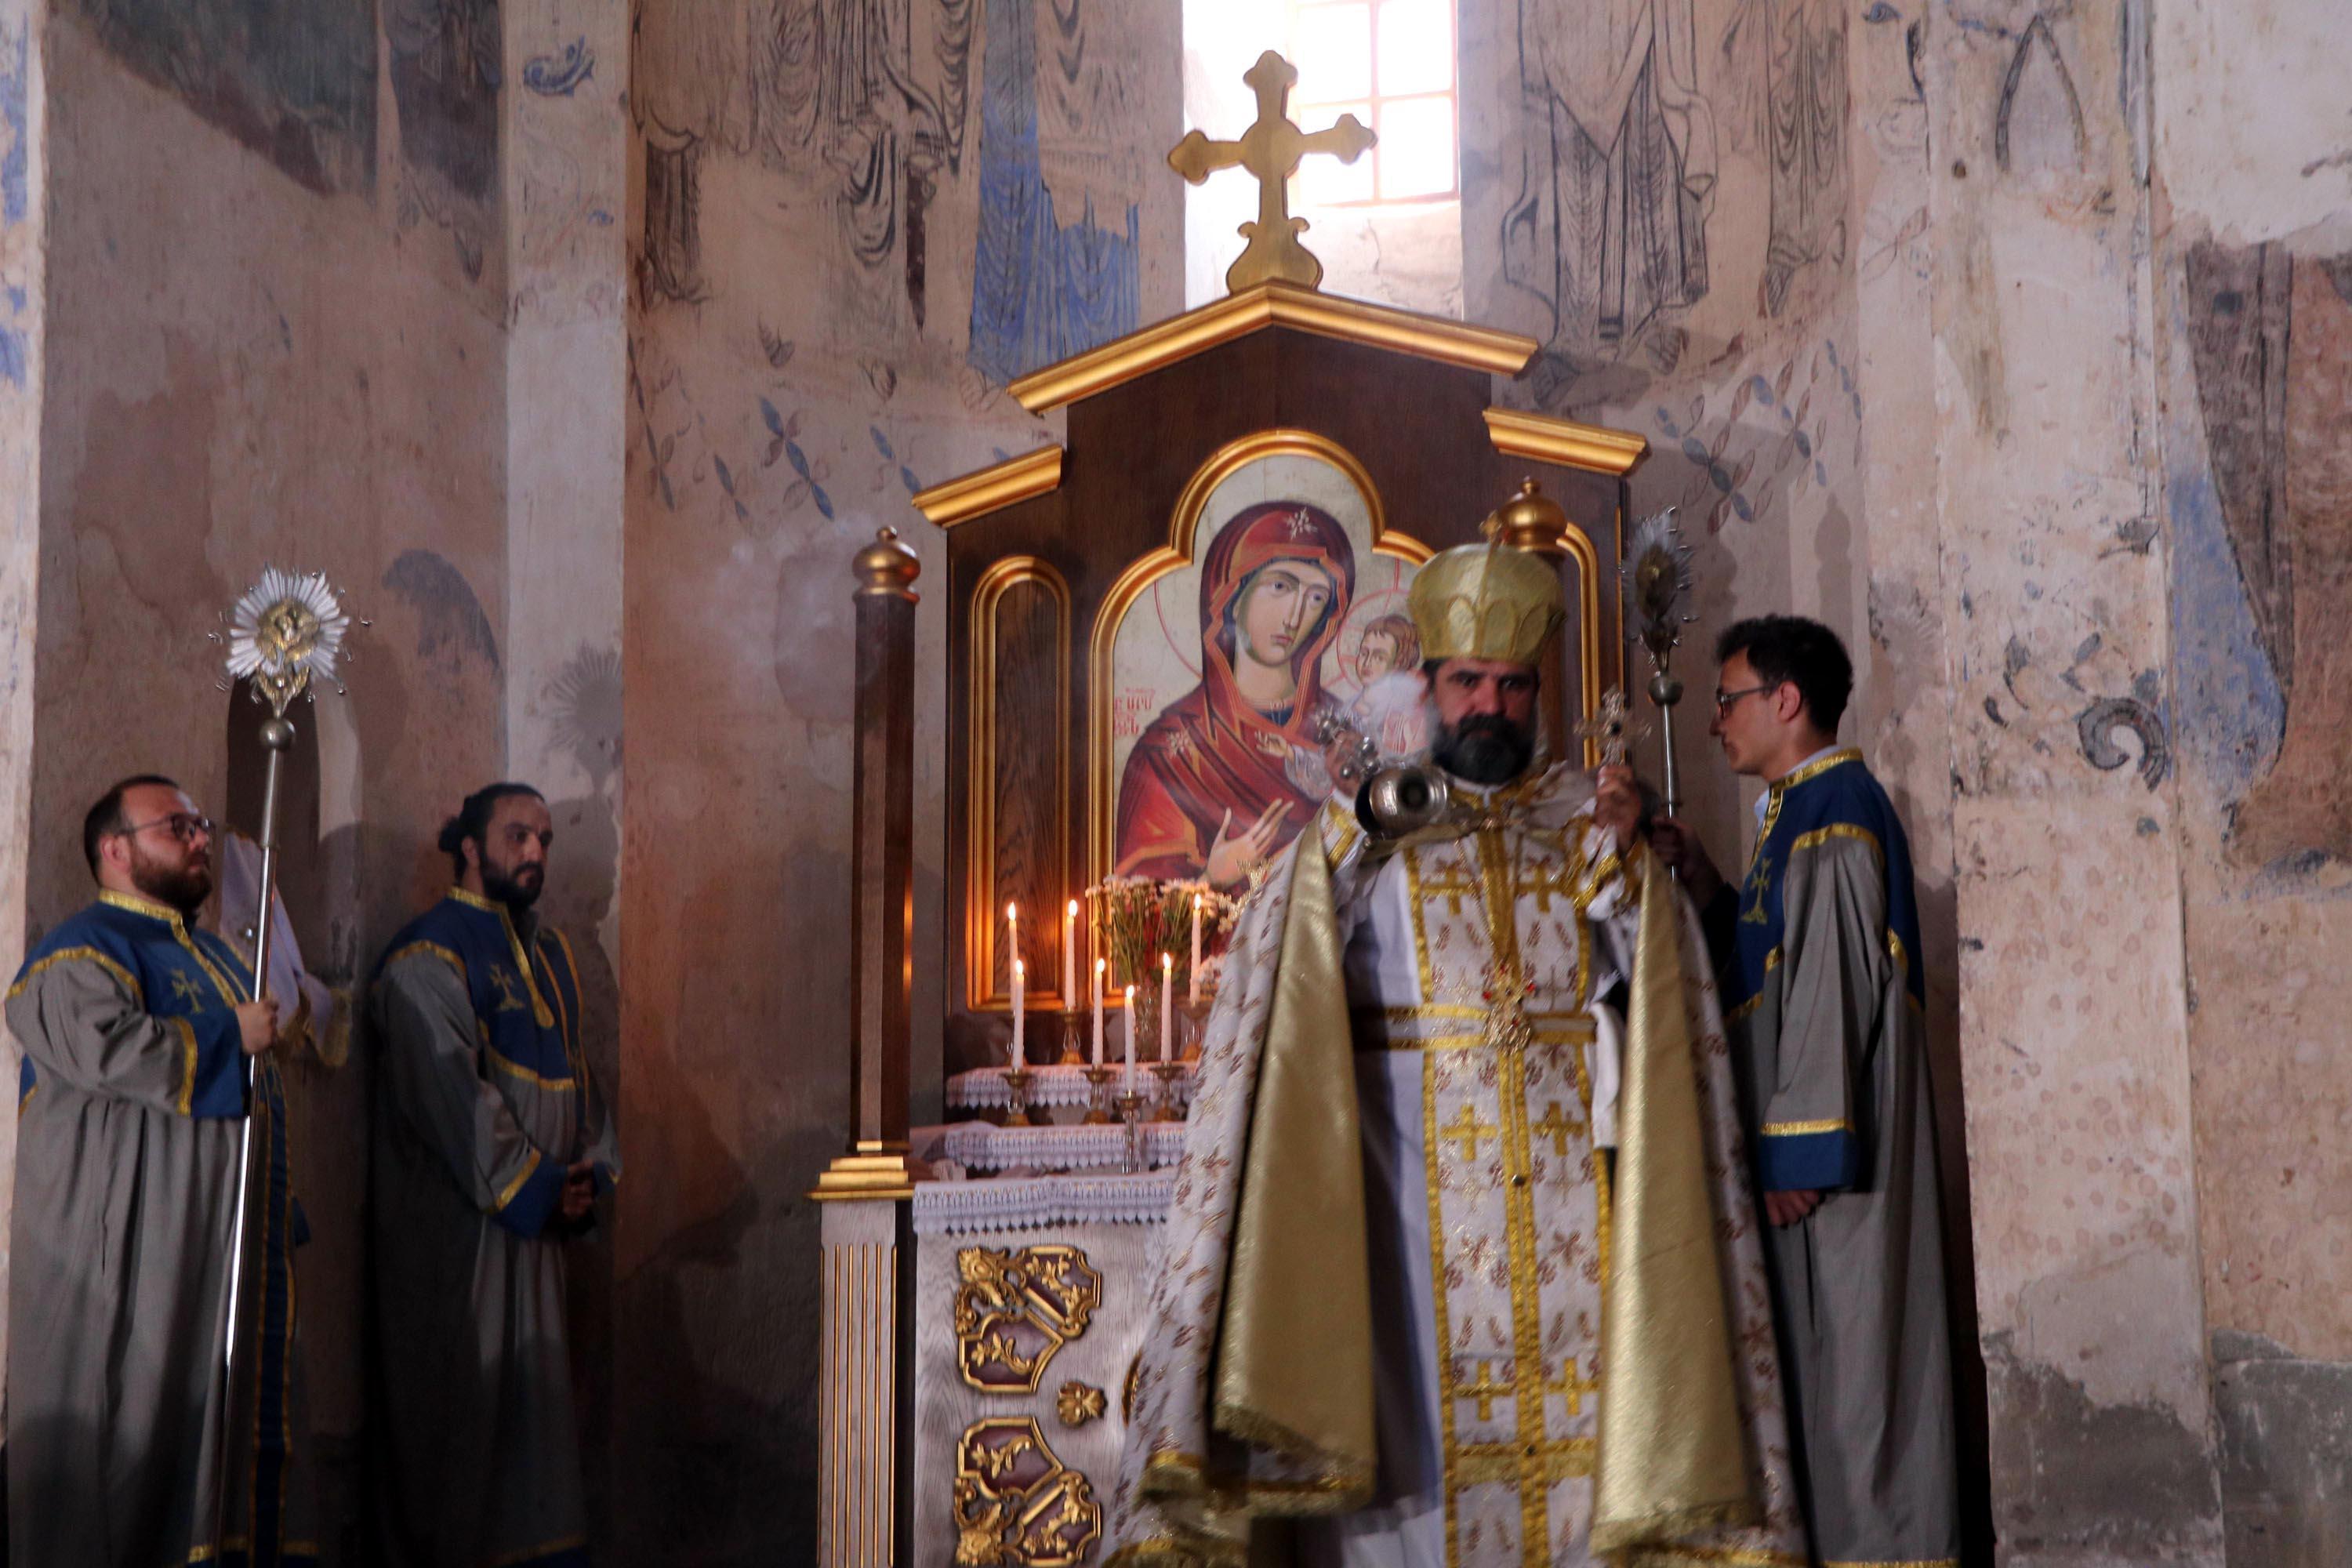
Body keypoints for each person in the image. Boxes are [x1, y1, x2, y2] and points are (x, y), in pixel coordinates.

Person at [1105, 537, 1808, 1566]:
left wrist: (1629, 882)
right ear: (1430, 686)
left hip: (1578, 1202)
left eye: (1514, 685)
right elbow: (1273, 970)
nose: (1492, 704)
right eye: (1468, 681)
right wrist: (1349, 841)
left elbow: (1661, 1003)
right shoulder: (1368, 828)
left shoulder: (1584, 821)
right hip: (1406, 1214)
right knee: (1413, 1460)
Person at [1650, 615, 1960, 1566]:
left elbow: (1828, 997)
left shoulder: (1831, 815)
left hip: (1835, 1176)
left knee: (1858, 1387)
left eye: (1729, 698)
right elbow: (1771, 972)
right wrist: (1705, 880)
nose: (1715, 722)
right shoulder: (1803, 811)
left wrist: (1796, 1151)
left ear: (1785, 701)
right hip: (1819, 1161)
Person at [6, 775, 314, 1565]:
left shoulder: (214, 956)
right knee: (126, 1465)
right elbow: (109, 1050)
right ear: (115, 849)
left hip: (218, 1258)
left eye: (201, 824)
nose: (201, 838)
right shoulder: (78, 951)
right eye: (176, 826)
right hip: (134, 1258)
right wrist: (226, 1035)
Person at [369, 783, 619, 1568]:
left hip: (537, 1234)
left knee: (539, 1437)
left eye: (544, 838)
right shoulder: (427, 953)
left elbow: (580, 1080)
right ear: (471, 846)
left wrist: (589, 1175)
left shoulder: (550, 954)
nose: (537, 852)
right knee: (465, 1432)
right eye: (518, 836)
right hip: (464, 1234)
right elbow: (452, 1098)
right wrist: (538, 1187)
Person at [1114, 502, 1357, 888]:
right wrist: (1212, 878)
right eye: (1280, 586)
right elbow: (1140, 923)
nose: (1295, 617)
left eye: (1315, 598)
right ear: (1231, 595)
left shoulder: (1345, 734)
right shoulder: (1169, 754)